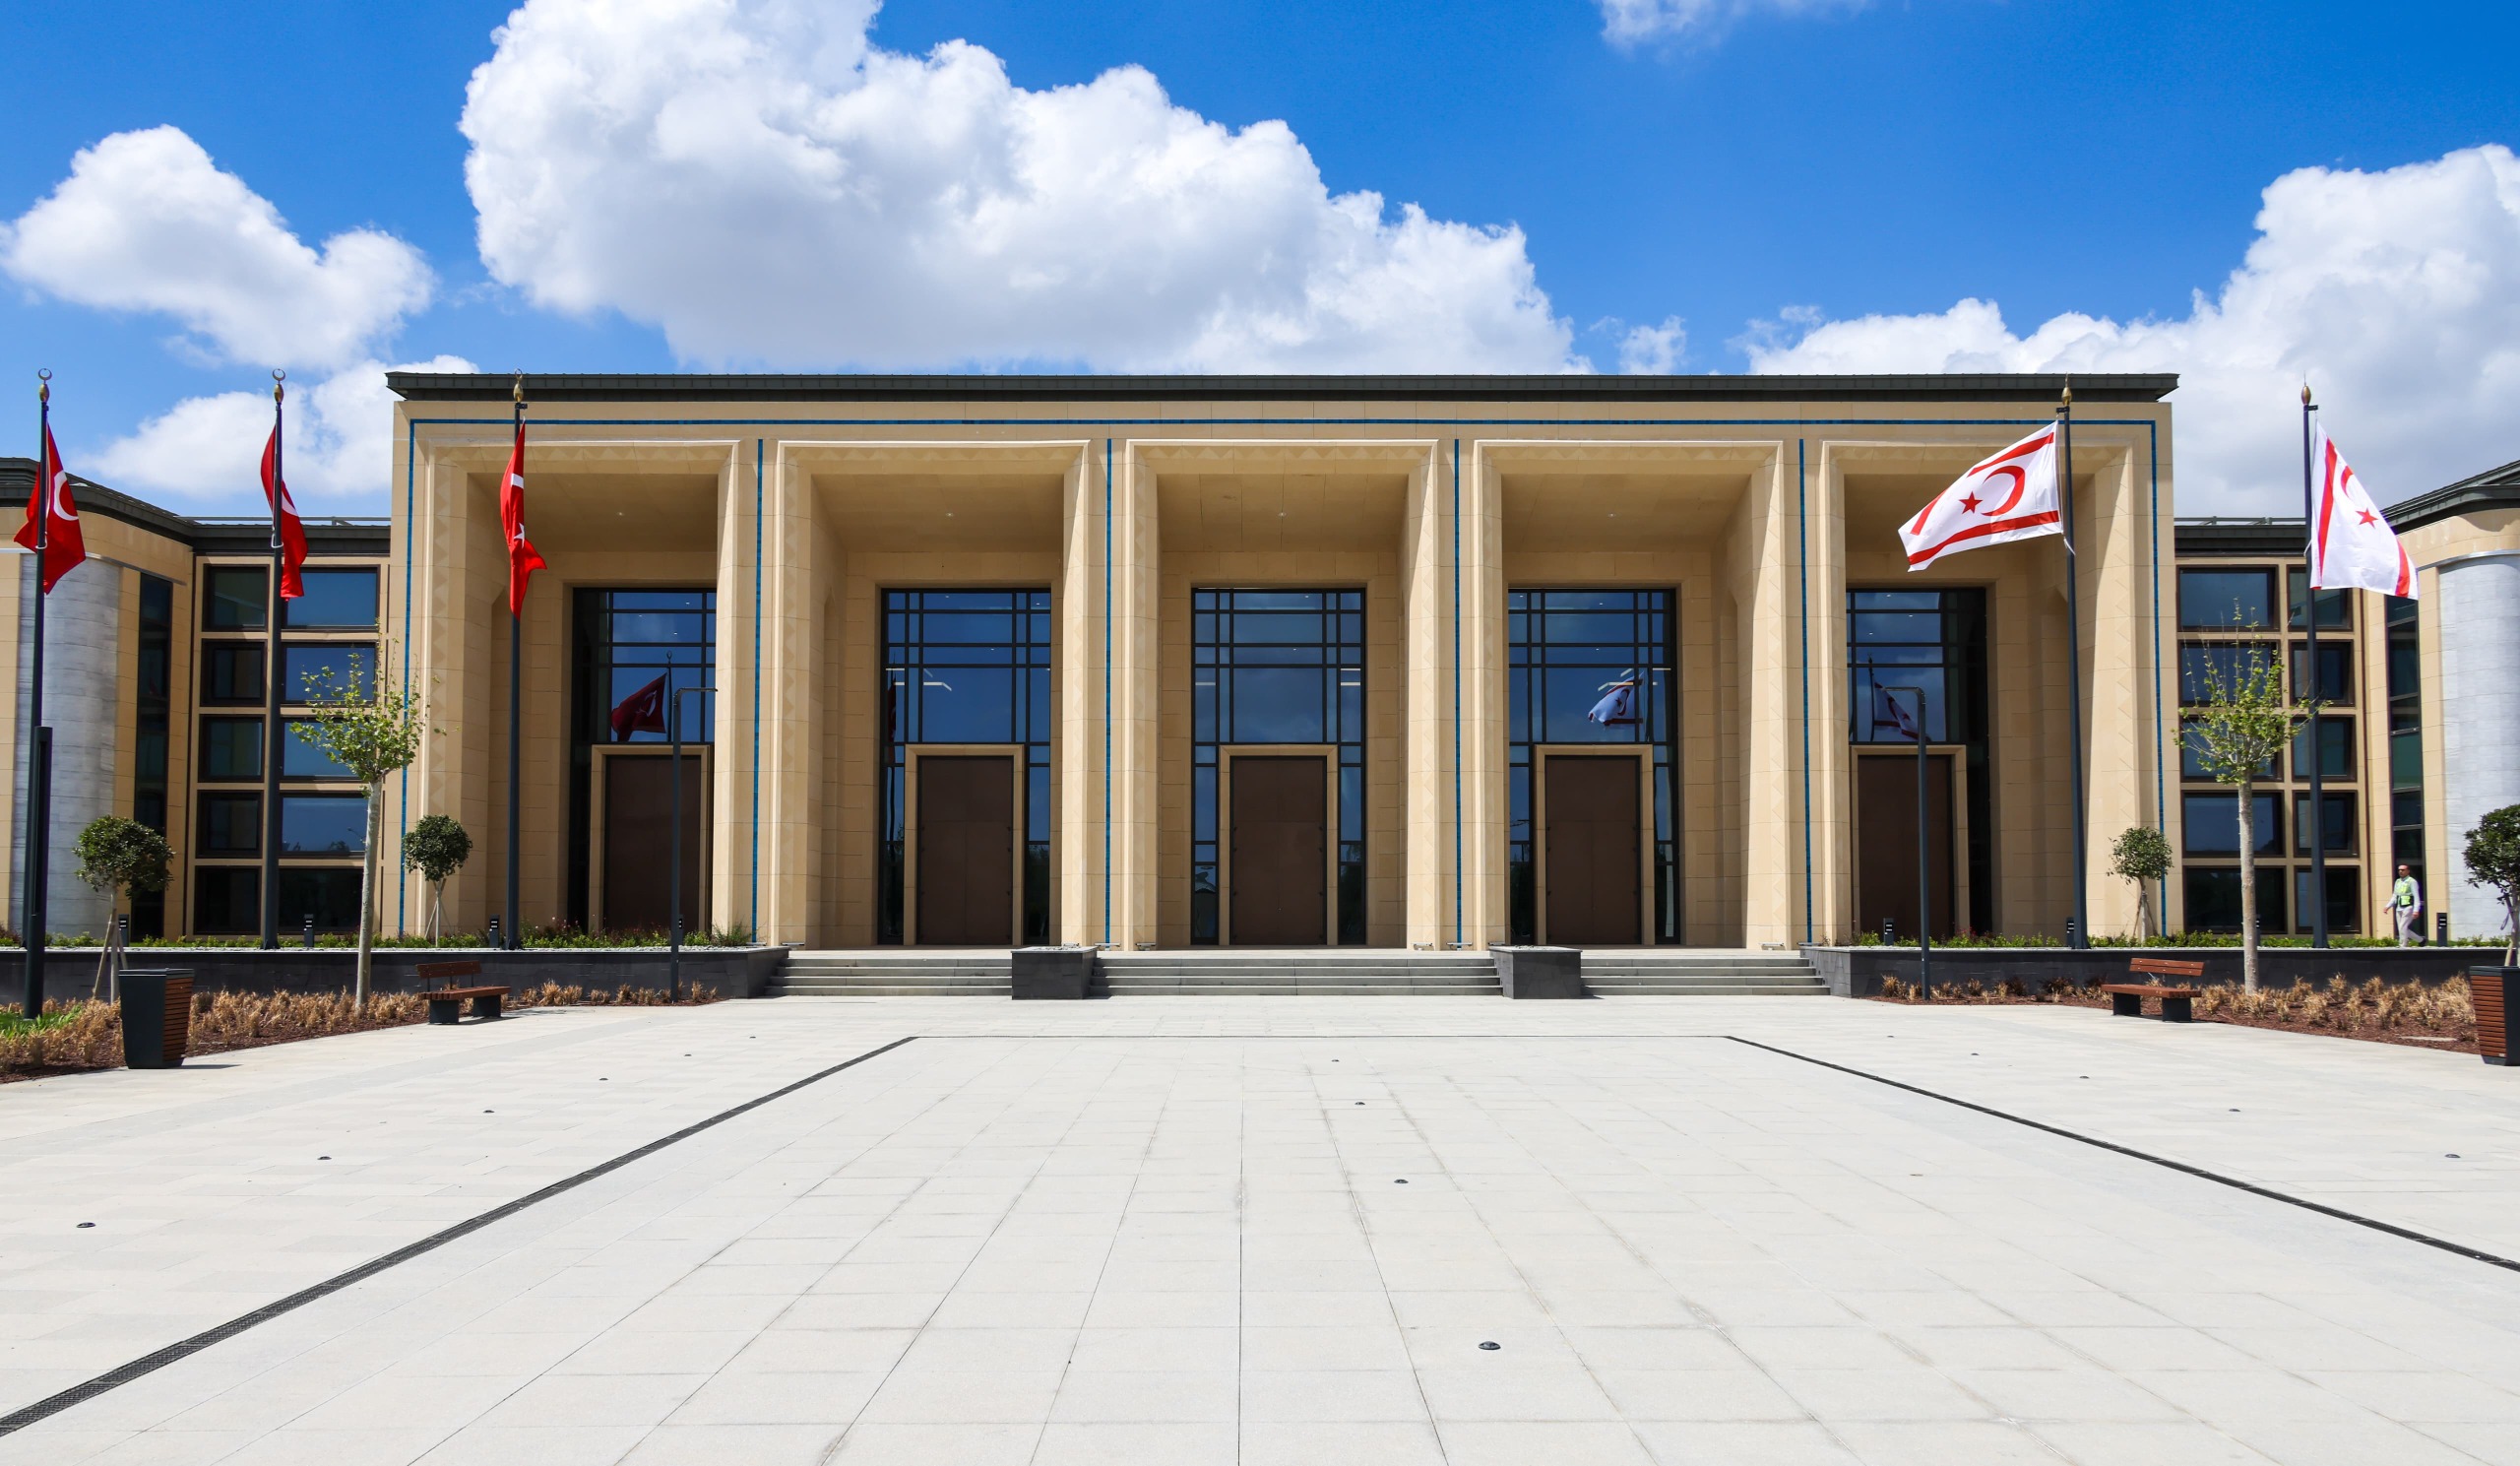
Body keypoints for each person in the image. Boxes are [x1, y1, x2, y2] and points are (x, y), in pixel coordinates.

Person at [2392, 864, 2424, 946]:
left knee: (2402, 927)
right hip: (2399, 907)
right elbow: (2395, 895)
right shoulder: (2398, 881)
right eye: (2399, 870)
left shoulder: (2412, 881)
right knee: (2402, 928)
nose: (2400, 871)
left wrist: (2416, 910)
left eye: (2403, 870)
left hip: (2409, 907)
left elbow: (2416, 896)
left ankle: (2403, 945)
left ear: (2408, 871)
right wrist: (2388, 906)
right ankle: (2421, 940)